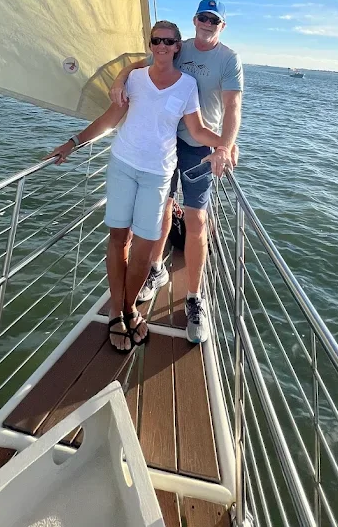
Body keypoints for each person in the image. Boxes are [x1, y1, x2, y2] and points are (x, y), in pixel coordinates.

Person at [47, 20, 231, 353]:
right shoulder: (134, 78)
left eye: (168, 41)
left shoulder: (187, 85)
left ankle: (128, 305)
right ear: (150, 44)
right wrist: (73, 143)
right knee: (120, 237)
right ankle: (120, 311)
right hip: (122, 165)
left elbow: (199, 130)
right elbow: (109, 119)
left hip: (159, 172)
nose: (161, 46)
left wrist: (226, 144)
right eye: (155, 40)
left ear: (178, 46)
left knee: (145, 248)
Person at [109, 0, 243, 344]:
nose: (208, 22)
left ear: (222, 25)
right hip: (166, 143)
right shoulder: (176, 46)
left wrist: (225, 145)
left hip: (200, 145)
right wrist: (120, 80)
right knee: (165, 207)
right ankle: (155, 269)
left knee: (197, 219)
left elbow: (232, 105)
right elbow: (140, 64)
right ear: (195, 19)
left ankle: (195, 297)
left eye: (214, 19)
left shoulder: (228, 59)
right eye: (203, 16)